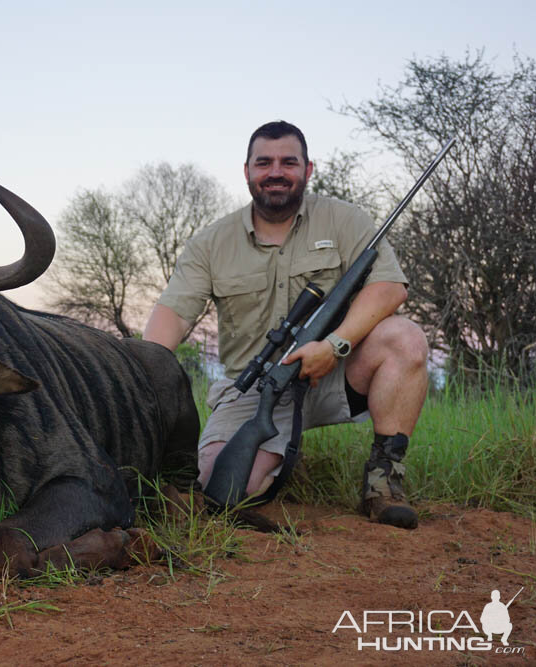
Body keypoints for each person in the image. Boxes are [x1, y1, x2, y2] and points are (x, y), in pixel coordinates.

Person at [143, 120, 427, 529]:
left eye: (288, 162)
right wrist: (142, 371)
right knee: (218, 491)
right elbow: (173, 313)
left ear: (308, 169)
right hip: (255, 387)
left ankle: (384, 484)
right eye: (264, 162)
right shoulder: (210, 241)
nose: (276, 171)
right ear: (247, 171)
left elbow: (389, 288)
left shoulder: (346, 220)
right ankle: (278, 456)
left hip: (331, 372)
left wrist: (334, 346)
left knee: (406, 337)